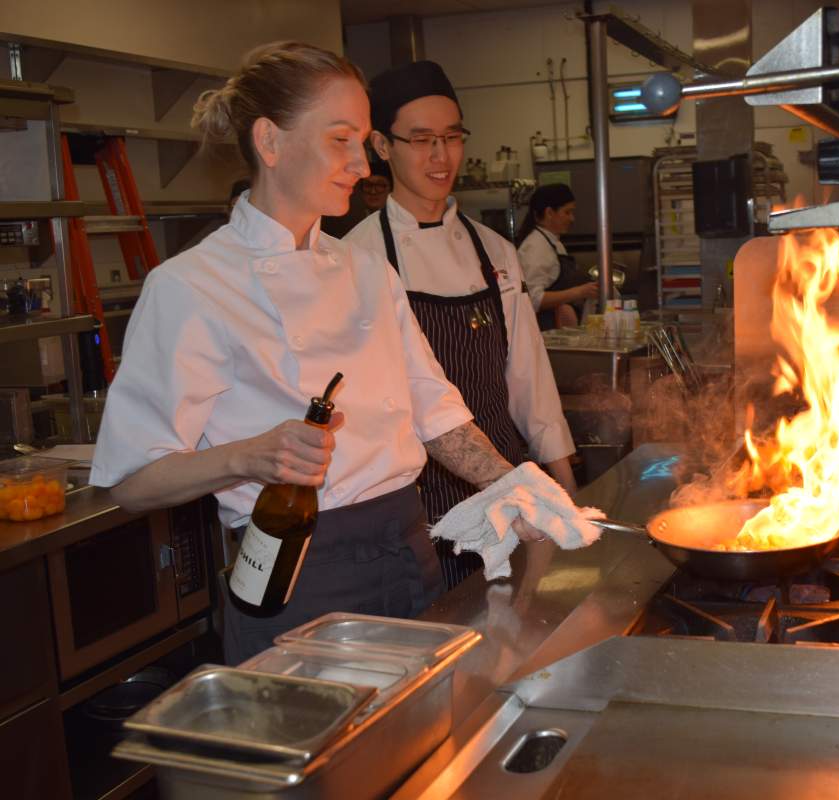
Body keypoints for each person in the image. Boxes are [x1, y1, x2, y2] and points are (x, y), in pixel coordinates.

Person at [88, 42, 551, 665]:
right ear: (271, 143)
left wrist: (522, 489)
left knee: (429, 748)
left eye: (362, 141)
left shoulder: (367, 271)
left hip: (406, 548)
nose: (362, 165)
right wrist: (249, 456)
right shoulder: (192, 286)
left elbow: (434, 409)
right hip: (297, 572)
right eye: (342, 140)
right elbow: (131, 482)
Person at [345, 61, 578, 588]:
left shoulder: (493, 250)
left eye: (452, 138)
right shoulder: (357, 258)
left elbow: (528, 379)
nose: (441, 156)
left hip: (505, 483)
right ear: (382, 146)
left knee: (514, 637)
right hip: (415, 502)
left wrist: (565, 489)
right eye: (422, 140)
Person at [515, 183, 598, 329]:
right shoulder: (534, 248)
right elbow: (533, 299)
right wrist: (579, 292)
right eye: (567, 212)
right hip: (544, 332)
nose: (572, 218)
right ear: (549, 213)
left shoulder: (554, 243)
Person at [322, 158, 391, 238]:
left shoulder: (396, 222)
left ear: (389, 189)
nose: (373, 192)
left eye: (379, 186)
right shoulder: (346, 223)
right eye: (368, 185)